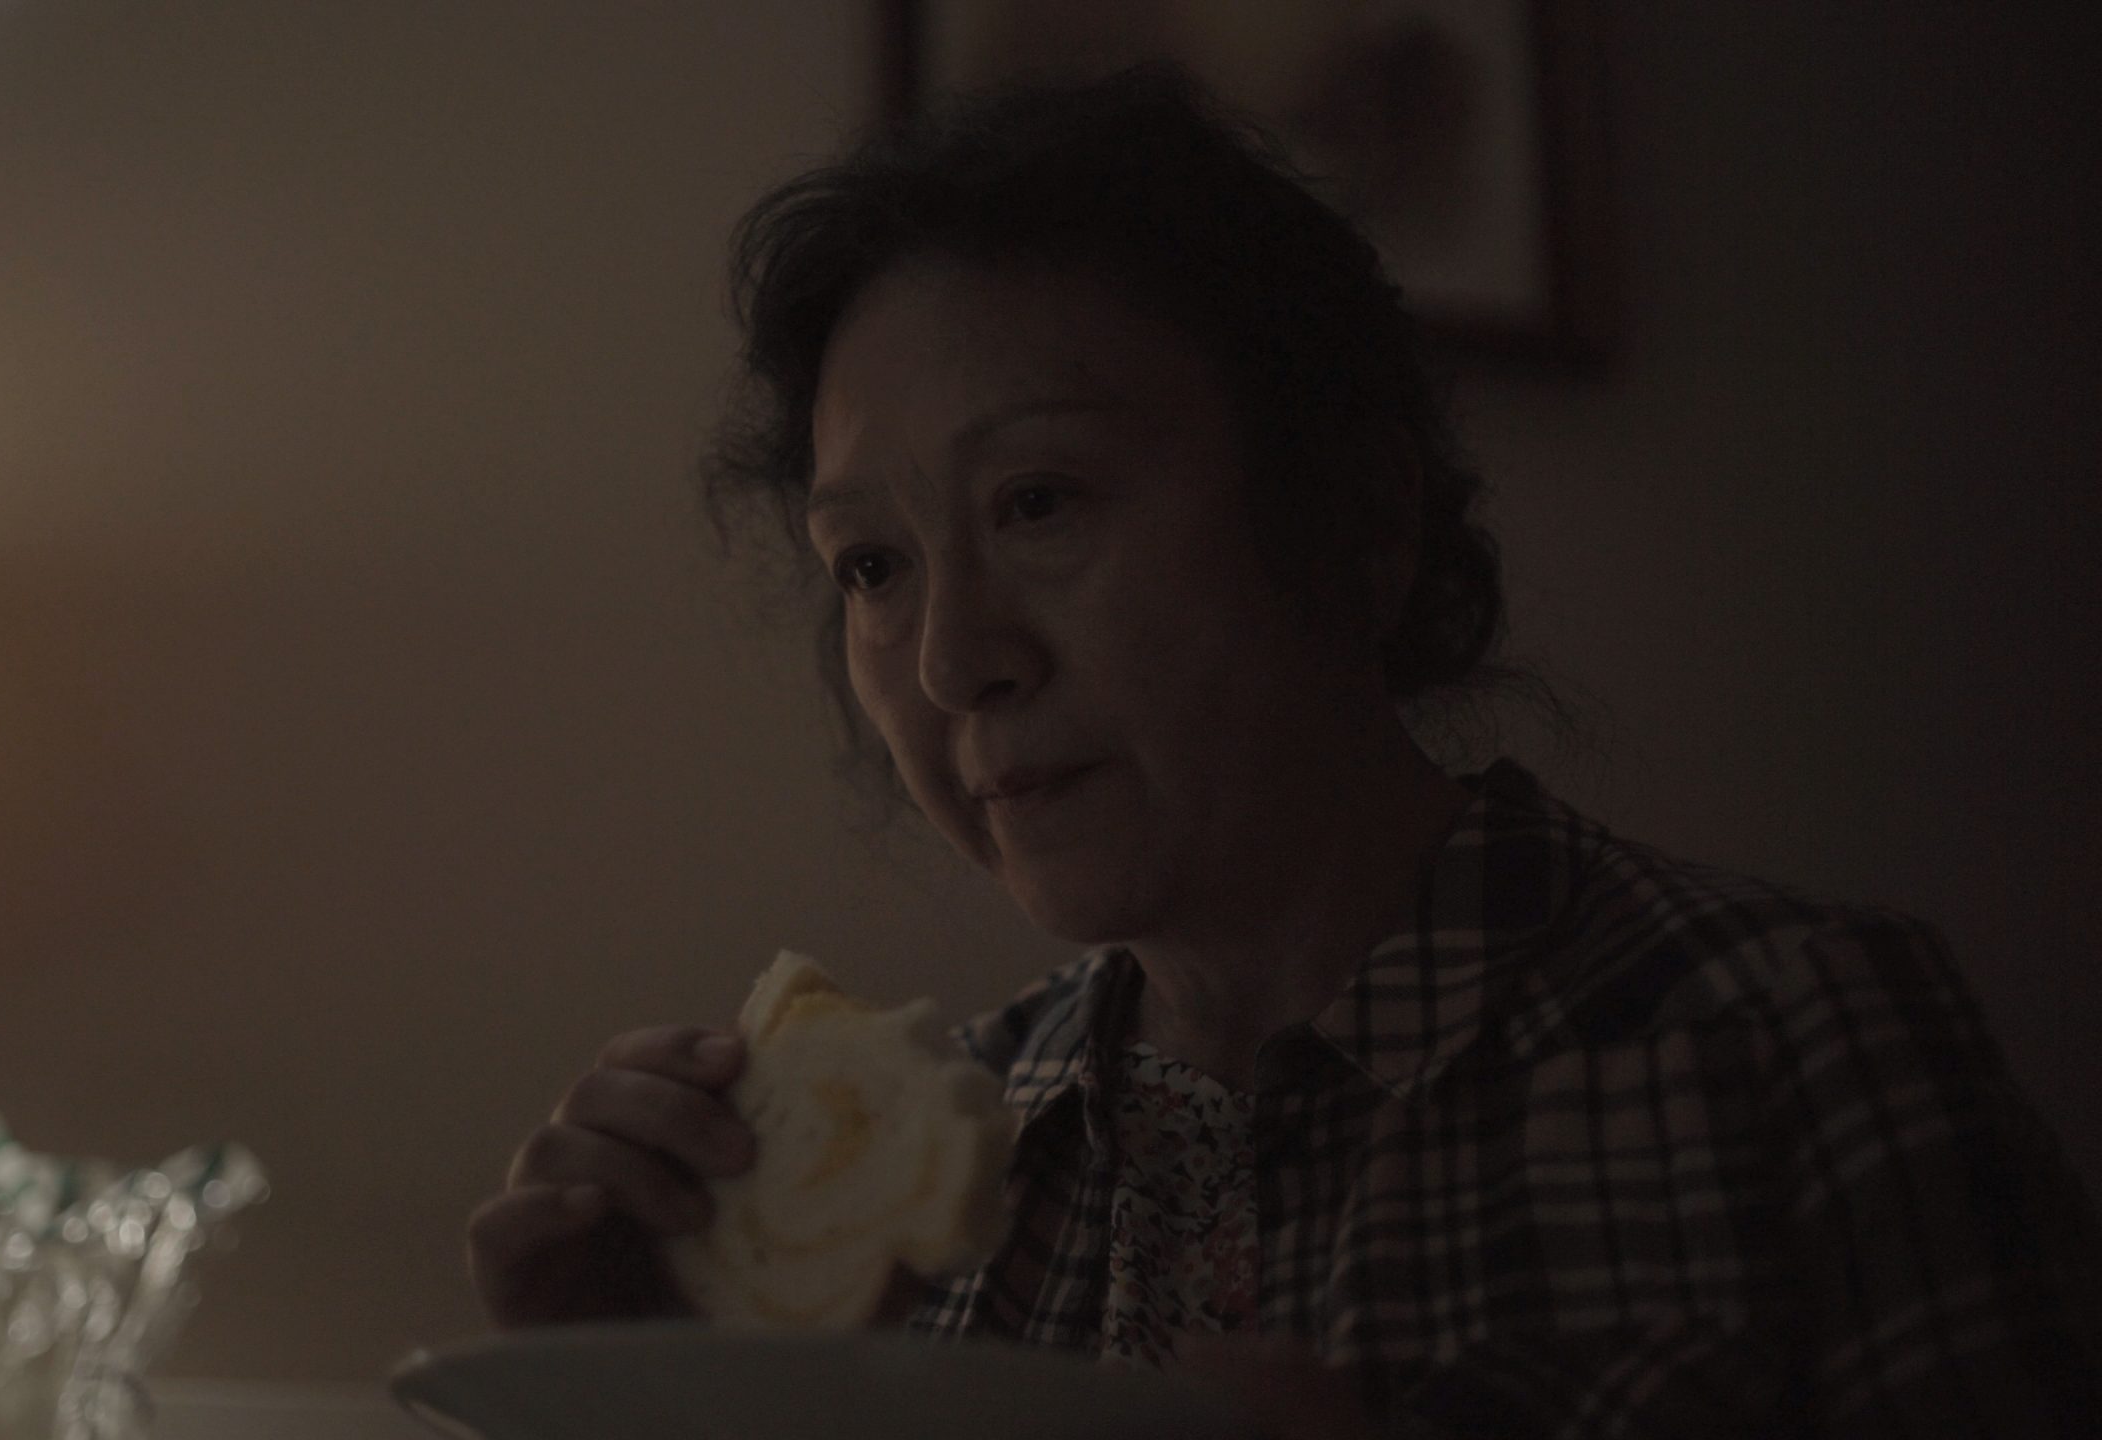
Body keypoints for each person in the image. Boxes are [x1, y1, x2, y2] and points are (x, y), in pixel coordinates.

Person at [464, 65, 2101, 1437]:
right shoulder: (905, 1178)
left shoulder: (1791, 1040)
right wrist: (633, 1393)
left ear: (1360, 517)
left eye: (1039, 500)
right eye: (873, 567)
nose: (954, 662)